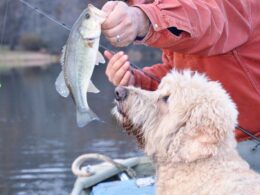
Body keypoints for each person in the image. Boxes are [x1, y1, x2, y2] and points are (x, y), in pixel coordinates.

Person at [101, 0, 260, 169]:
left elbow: (209, 20)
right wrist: (137, 81)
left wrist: (144, 18)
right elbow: (177, 73)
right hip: (204, 145)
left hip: (249, 142)